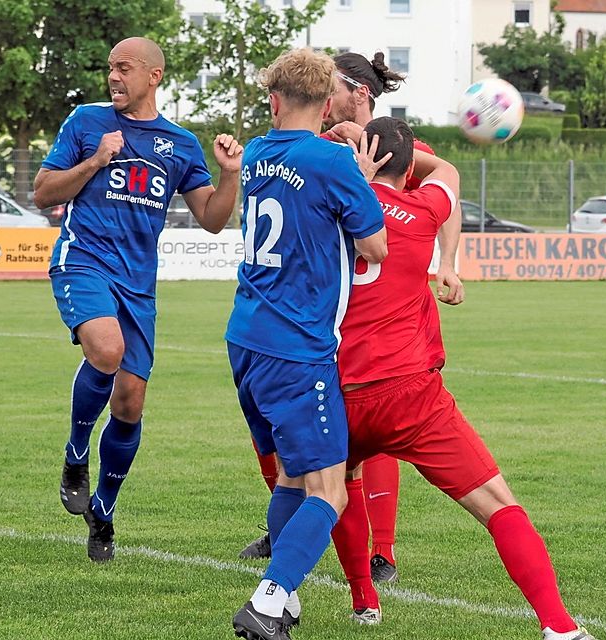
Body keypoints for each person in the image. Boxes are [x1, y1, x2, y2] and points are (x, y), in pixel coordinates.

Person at [328, 116, 593, 640]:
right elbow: (445, 170)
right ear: (407, 172)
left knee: (338, 486)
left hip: (340, 391)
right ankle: (559, 625)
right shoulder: (424, 208)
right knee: (498, 504)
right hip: (410, 393)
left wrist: (351, 158)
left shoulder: (328, 210)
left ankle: (364, 599)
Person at [238, 52, 465, 587]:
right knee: (310, 443)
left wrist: (447, 262)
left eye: (332, 89)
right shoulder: (320, 149)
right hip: (319, 316)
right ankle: (293, 535)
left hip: (372, 324)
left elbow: (447, 184)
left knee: (367, 436)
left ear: (356, 94)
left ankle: (377, 553)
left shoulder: (398, 150)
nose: (324, 99)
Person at [33, 37, 243, 563]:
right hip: (83, 261)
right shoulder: (86, 123)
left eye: (124, 69)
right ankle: (77, 454)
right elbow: (42, 192)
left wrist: (230, 174)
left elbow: (214, 221)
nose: (113, 77)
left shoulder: (179, 144)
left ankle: (103, 509)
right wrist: (95, 163)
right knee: (104, 350)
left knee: (129, 404)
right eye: (110, 69)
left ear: (154, 74)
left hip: (138, 286)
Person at [227, 47, 387, 640]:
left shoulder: (259, 153)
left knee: (293, 479)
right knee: (329, 490)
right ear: (327, 106)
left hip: (245, 338)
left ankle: (285, 595)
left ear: (273, 101)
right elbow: (375, 247)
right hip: (299, 346)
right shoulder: (332, 162)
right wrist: (362, 178)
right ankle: (269, 600)